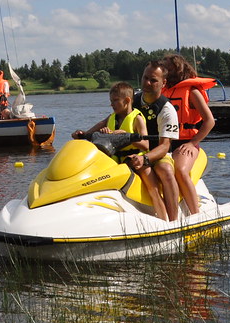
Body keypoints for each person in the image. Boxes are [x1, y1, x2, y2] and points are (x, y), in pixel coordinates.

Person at [72, 82, 169, 220]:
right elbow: (99, 125)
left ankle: (164, 219)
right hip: (115, 160)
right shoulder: (112, 118)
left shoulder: (137, 118)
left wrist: (126, 136)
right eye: (111, 101)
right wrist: (84, 133)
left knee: (152, 188)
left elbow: (146, 145)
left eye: (115, 101)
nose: (112, 104)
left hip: (137, 160)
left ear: (127, 100)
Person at [161, 54, 217, 216]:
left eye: (169, 69)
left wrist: (193, 143)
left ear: (179, 69)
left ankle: (195, 213)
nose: (166, 72)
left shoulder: (191, 91)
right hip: (166, 141)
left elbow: (209, 121)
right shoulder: (162, 92)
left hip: (186, 142)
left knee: (180, 170)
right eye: (164, 69)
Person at [131, 61, 182, 220]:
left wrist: (144, 158)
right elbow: (108, 120)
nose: (147, 83)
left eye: (153, 80)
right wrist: (88, 133)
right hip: (134, 151)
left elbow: (165, 146)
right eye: (145, 78)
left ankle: (173, 221)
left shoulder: (167, 110)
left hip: (157, 154)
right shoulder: (131, 101)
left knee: (165, 171)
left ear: (163, 83)